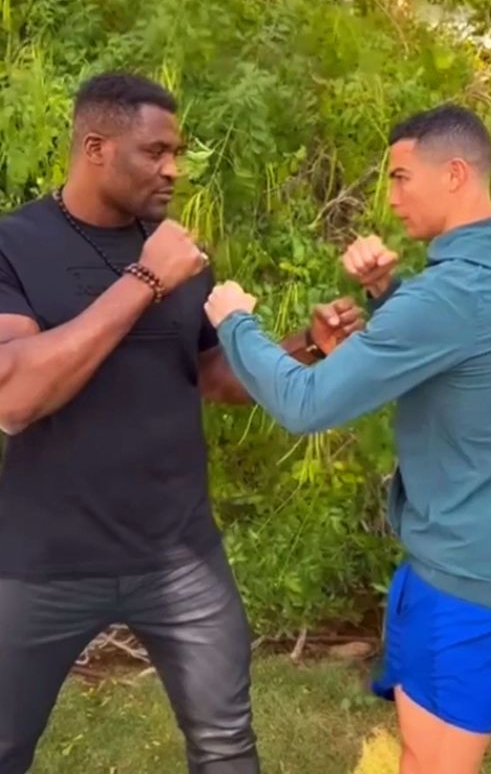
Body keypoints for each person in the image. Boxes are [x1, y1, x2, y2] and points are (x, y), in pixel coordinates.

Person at [0, 72, 364, 774]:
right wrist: (145, 281)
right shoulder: (16, 245)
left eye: (179, 151)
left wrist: (304, 346)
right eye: (155, 151)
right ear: (97, 147)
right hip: (42, 559)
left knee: (226, 748)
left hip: (178, 556)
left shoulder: (175, 251)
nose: (174, 168)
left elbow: (212, 375)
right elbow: (15, 394)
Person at [201, 104, 491, 774]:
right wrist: (387, 295)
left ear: (454, 173)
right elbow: (482, 354)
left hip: (467, 582)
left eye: (401, 178)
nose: (390, 197)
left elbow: (305, 403)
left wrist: (236, 324)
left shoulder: (450, 297)